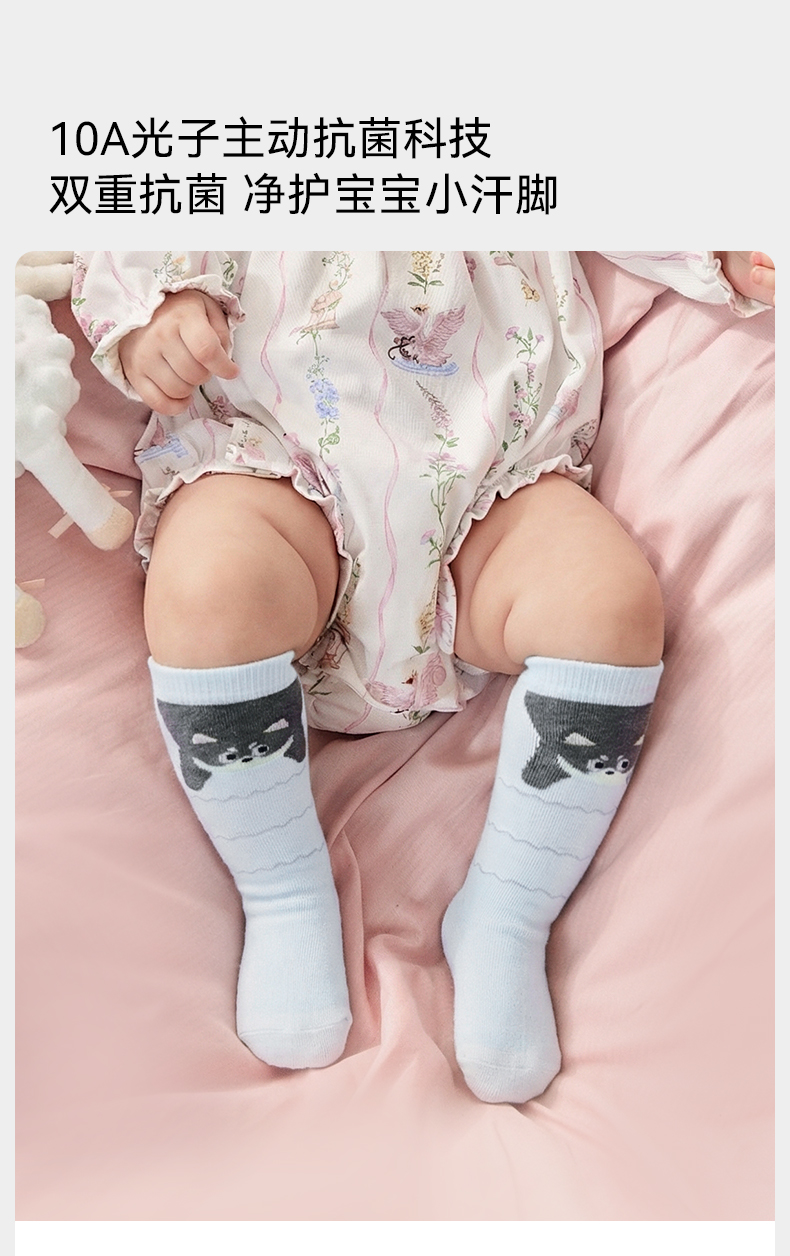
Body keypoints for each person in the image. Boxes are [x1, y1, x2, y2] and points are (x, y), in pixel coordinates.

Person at [72, 249, 774, 1104]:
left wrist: (719, 248)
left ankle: (510, 913)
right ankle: (282, 887)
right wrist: (152, 312)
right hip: (272, 456)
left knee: (610, 608)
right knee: (211, 589)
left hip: (496, 480)